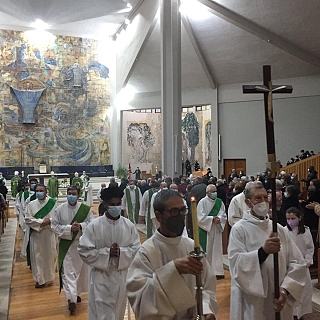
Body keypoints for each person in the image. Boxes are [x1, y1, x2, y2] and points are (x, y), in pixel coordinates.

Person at [126, 189, 218, 320]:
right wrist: (173, 269)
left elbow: (206, 285)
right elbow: (141, 298)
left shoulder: (191, 246)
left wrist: (205, 310)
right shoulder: (146, 252)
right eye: (174, 211)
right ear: (158, 216)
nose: (180, 215)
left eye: (182, 211)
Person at [228, 184, 306, 320]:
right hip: (253, 300)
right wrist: (263, 252)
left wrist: (285, 289)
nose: (263, 201)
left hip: (279, 296)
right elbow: (236, 265)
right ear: (248, 202)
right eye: (257, 198)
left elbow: (297, 262)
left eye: (265, 197)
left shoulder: (278, 229)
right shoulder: (239, 229)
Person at [78, 186, 140, 320]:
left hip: (121, 276)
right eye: (112, 204)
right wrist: (107, 253)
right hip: (101, 276)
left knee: (118, 312)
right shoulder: (94, 225)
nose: (116, 207)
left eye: (118, 204)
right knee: (103, 314)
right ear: (105, 204)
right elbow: (83, 250)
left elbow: (136, 250)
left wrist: (121, 253)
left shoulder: (128, 225)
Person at [52, 186, 94, 315]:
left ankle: (75, 294)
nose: (71, 196)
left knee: (80, 272)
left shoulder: (85, 209)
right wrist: (70, 228)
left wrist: (81, 226)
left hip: (81, 245)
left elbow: (92, 224)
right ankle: (71, 300)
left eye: (73, 193)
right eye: (69, 193)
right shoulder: (59, 209)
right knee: (68, 272)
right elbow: (54, 225)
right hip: (67, 245)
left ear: (78, 194)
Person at [24, 184, 58, 288]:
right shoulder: (31, 204)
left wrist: (50, 221)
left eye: (41, 190)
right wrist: (41, 222)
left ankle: (49, 278)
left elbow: (58, 217)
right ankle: (40, 279)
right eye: (37, 191)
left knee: (50, 255)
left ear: (46, 191)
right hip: (37, 234)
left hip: (49, 233)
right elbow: (27, 219)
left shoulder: (53, 203)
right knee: (38, 257)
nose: (39, 192)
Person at [285, 207, 314, 319]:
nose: (290, 221)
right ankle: (291, 314)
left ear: (300, 217)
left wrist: (306, 262)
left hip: (303, 266)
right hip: (290, 267)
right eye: (288, 218)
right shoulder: (284, 231)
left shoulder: (306, 231)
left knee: (304, 293)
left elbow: (310, 248)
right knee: (291, 292)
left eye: (293, 218)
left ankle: (301, 314)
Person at [197, 184, 227, 279]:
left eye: (215, 191)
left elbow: (223, 214)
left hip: (216, 228)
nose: (215, 193)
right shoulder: (202, 202)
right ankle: (206, 271)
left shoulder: (219, 202)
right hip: (206, 229)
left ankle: (217, 271)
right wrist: (211, 219)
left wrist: (219, 219)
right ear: (207, 193)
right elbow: (200, 217)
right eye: (212, 191)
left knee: (217, 250)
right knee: (208, 250)